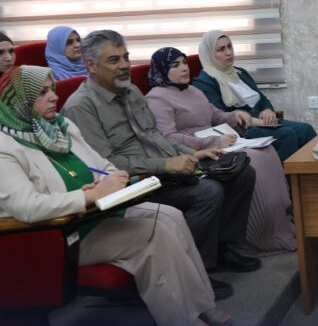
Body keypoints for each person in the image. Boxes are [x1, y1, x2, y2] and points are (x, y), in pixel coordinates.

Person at [0, 66, 232, 326]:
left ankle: (201, 304)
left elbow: (104, 166)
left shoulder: (61, 127)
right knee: (155, 233)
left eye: (52, 89)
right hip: (59, 236)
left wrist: (113, 181)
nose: (54, 96)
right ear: (19, 102)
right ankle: (184, 320)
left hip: (96, 214)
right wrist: (88, 196)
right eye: (42, 93)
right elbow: (27, 207)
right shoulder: (5, 147)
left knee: (171, 216)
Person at [62, 30, 261, 278]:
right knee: (209, 191)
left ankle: (223, 248)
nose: (124, 65)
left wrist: (193, 153)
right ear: (91, 65)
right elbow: (106, 164)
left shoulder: (131, 90)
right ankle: (194, 269)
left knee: (241, 172)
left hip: (164, 169)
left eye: (126, 57)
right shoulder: (81, 106)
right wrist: (166, 165)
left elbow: (154, 134)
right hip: (134, 183)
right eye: (114, 60)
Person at [146, 47, 296, 255]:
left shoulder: (193, 91)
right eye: (175, 65)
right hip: (195, 151)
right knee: (252, 159)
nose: (184, 68)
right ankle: (256, 234)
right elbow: (168, 137)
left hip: (217, 142)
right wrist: (213, 142)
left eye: (184, 62)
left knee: (266, 151)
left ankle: (277, 222)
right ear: (162, 70)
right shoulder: (157, 98)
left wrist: (235, 116)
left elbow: (216, 116)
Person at [193, 30, 316, 162]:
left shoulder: (240, 73)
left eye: (230, 46)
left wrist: (268, 110)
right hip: (241, 130)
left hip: (262, 122)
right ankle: (286, 176)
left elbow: (262, 99)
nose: (228, 52)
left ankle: (316, 173)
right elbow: (220, 116)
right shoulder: (204, 81)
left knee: (306, 129)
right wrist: (258, 122)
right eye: (221, 49)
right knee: (287, 134)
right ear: (209, 54)